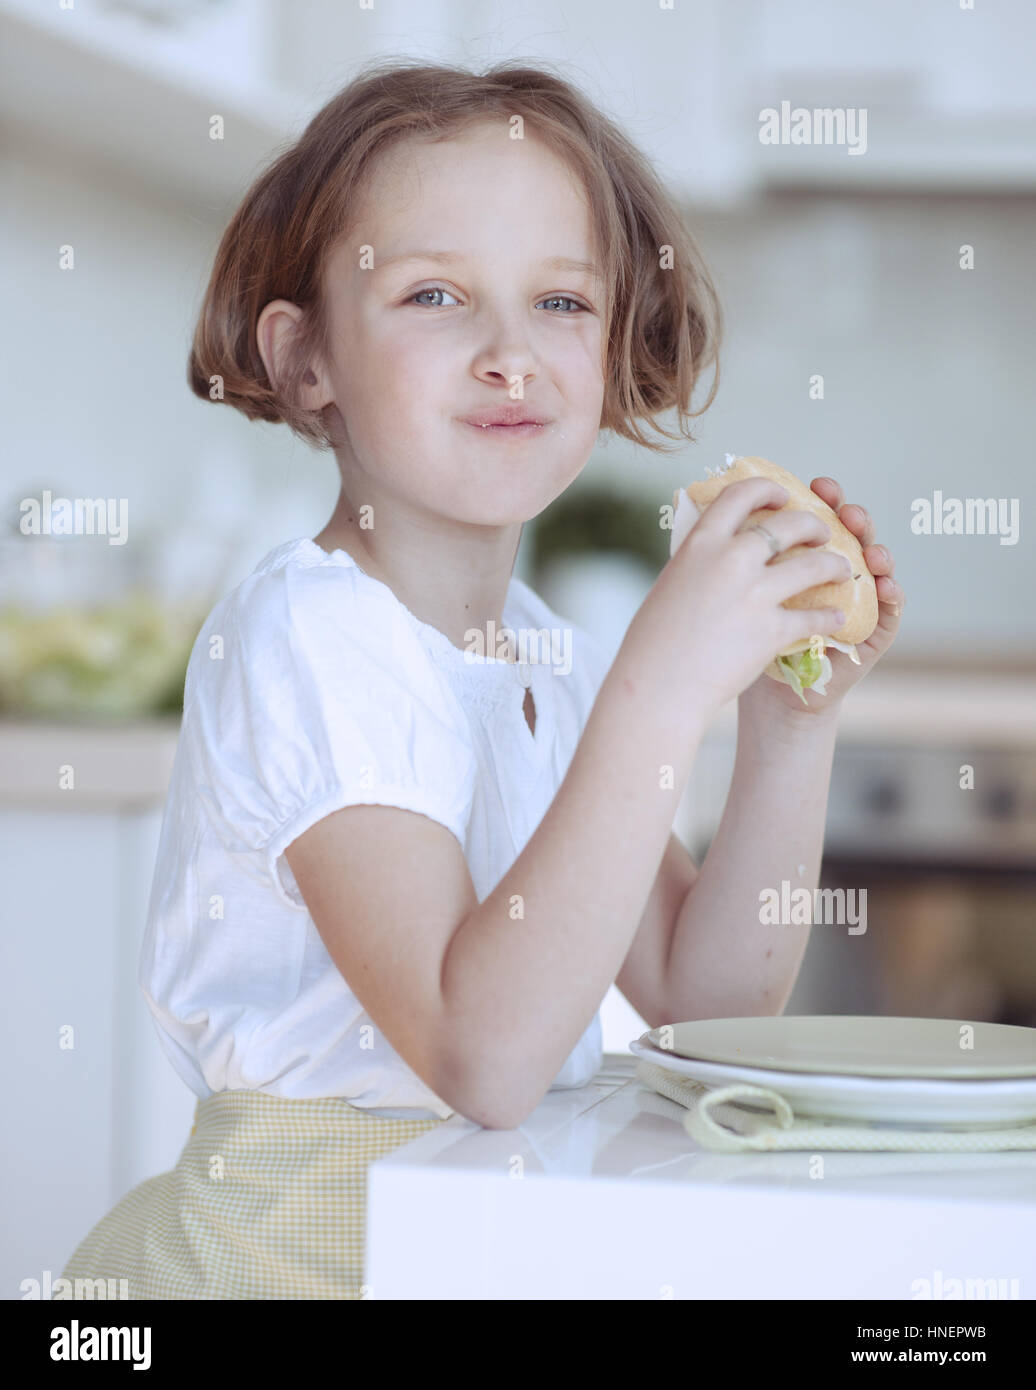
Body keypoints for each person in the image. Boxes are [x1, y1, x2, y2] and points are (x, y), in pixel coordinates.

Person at [59, 56, 904, 1300]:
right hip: (271, 1268)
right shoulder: (308, 637)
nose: (512, 353)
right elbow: (482, 1054)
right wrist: (658, 690)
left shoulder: (532, 650)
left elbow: (702, 1000)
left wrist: (784, 726)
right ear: (307, 363)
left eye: (562, 303)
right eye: (436, 294)